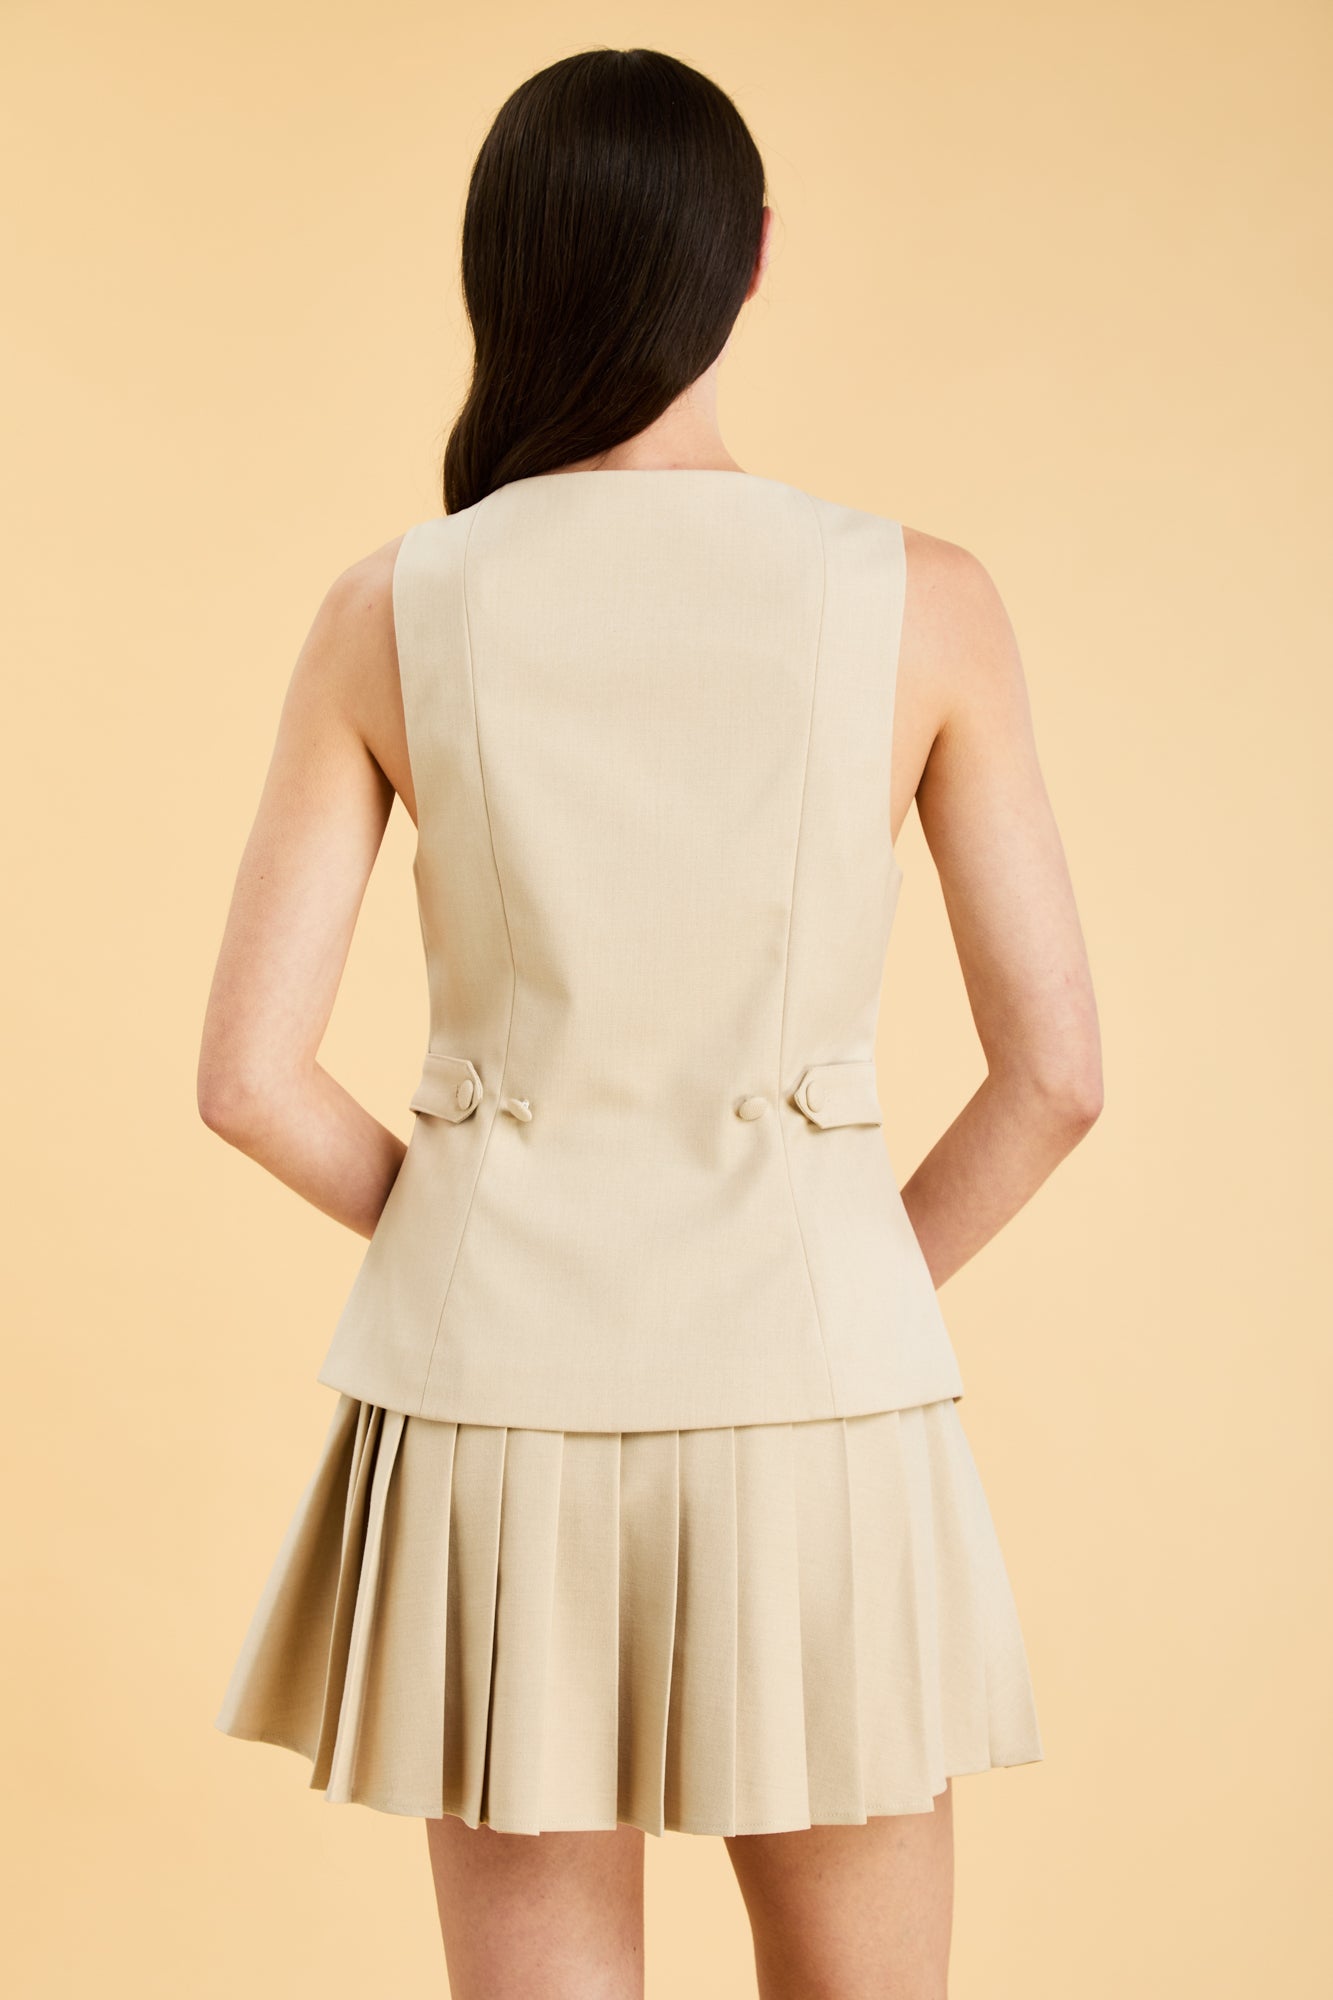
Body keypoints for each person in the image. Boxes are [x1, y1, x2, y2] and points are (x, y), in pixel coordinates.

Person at [200, 45, 1102, 2000]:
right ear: (749, 259)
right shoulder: (921, 599)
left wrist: (487, 1239)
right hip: (817, 1392)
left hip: (495, 1408)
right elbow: (1058, 1074)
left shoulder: (394, 605)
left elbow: (249, 1080)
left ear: (502, 269)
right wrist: (853, 1275)